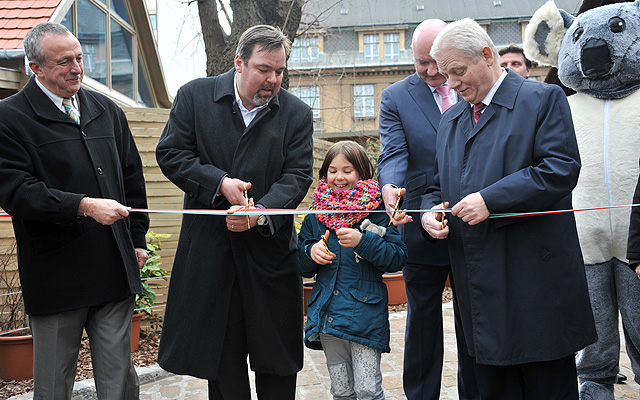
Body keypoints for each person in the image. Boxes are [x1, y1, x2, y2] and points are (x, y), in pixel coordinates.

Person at [421, 18, 597, 399]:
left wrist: (490, 200)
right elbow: (439, 185)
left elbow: (560, 169)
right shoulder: (450, 120)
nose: (451, 83)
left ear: (487, 55)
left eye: (458, 71)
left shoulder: (542, 100)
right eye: (446, 74)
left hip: (534, 284)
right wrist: (431, 213)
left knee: (545, 386)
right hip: (478, 291)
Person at [156, 25, 314, 400]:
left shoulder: (296, 112)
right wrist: (219, 183)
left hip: (270, 257)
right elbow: (171, 154)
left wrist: (259, 213)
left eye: (279, 70)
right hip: (211, 259)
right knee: (224, 371)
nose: (272, 79)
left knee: (278, 364)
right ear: (238, 62)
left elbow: (297, 175)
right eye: (263, 69)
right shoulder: (194, 96)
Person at [0, 22, 149, 399]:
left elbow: (133, 178)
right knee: (53, 385)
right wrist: (82, 206)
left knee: (120, 384)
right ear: (36, 68)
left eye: (80, 58)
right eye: (64, 61)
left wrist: (137, 239)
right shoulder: (9, 118)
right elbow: (16, 192)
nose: (77, 68)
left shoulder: (106, 110)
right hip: (56, 277)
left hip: (114, 267)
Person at [377, 18, 480, 400]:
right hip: (420, 220)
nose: (432, 72)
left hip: (474, 220)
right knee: (422, 320)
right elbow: (393, 153)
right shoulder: (395, 97)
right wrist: (389, 186)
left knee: (474, 322)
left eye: (437, 62)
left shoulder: (472, 84)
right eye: (422, 63)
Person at [297, 141, 407, 399]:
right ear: (324, 175)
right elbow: (301, 265)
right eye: (333, 170)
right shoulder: (316, 214)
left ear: (362, 173)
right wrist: (311, 252)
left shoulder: (379, 211)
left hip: (365, 319)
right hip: (328, 318)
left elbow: (396, 258)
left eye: (348, 170)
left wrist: (363, 241)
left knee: (369, 390)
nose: (339, 177)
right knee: (341, 390)